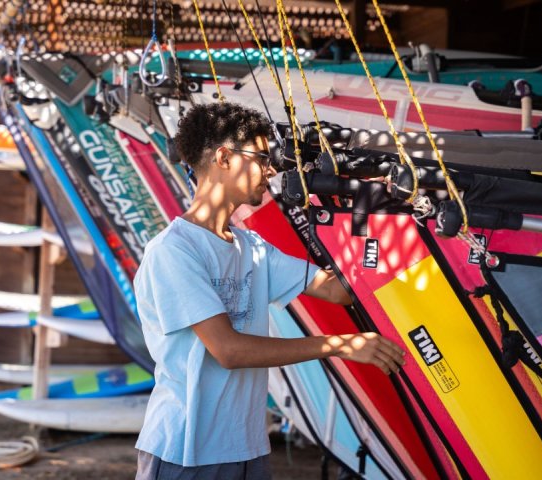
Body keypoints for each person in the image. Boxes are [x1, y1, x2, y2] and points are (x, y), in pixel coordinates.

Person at [134, 101, 405, 479]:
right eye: (261, 157)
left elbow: (337, 291)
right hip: (185, 450)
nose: (271, 169)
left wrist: (370, 210)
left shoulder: (251, 247)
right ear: (225, 157)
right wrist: (340, 345)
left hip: (247, 447)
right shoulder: (174, 250)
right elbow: (229, 350)